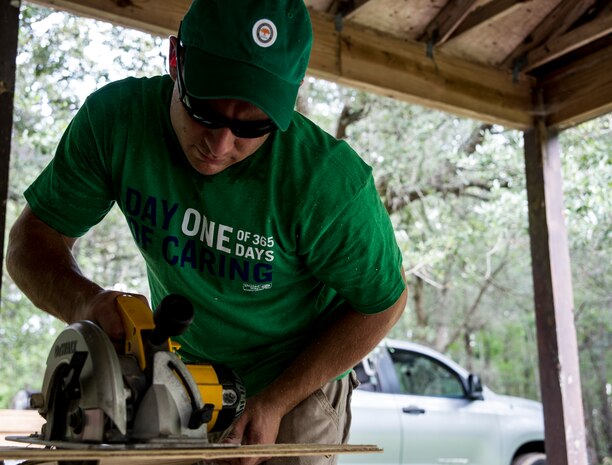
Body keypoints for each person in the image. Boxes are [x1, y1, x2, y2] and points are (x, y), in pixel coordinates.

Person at [6, 0, 407, 463]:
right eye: (204, 111)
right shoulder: (117, 123)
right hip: (180, 371)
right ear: (176, 61)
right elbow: (30, 242)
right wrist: (84, 301)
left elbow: (383, 304)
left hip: (296, 377)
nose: (219, 145)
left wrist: (275, 401)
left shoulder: (327, 183)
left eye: (251, 125)